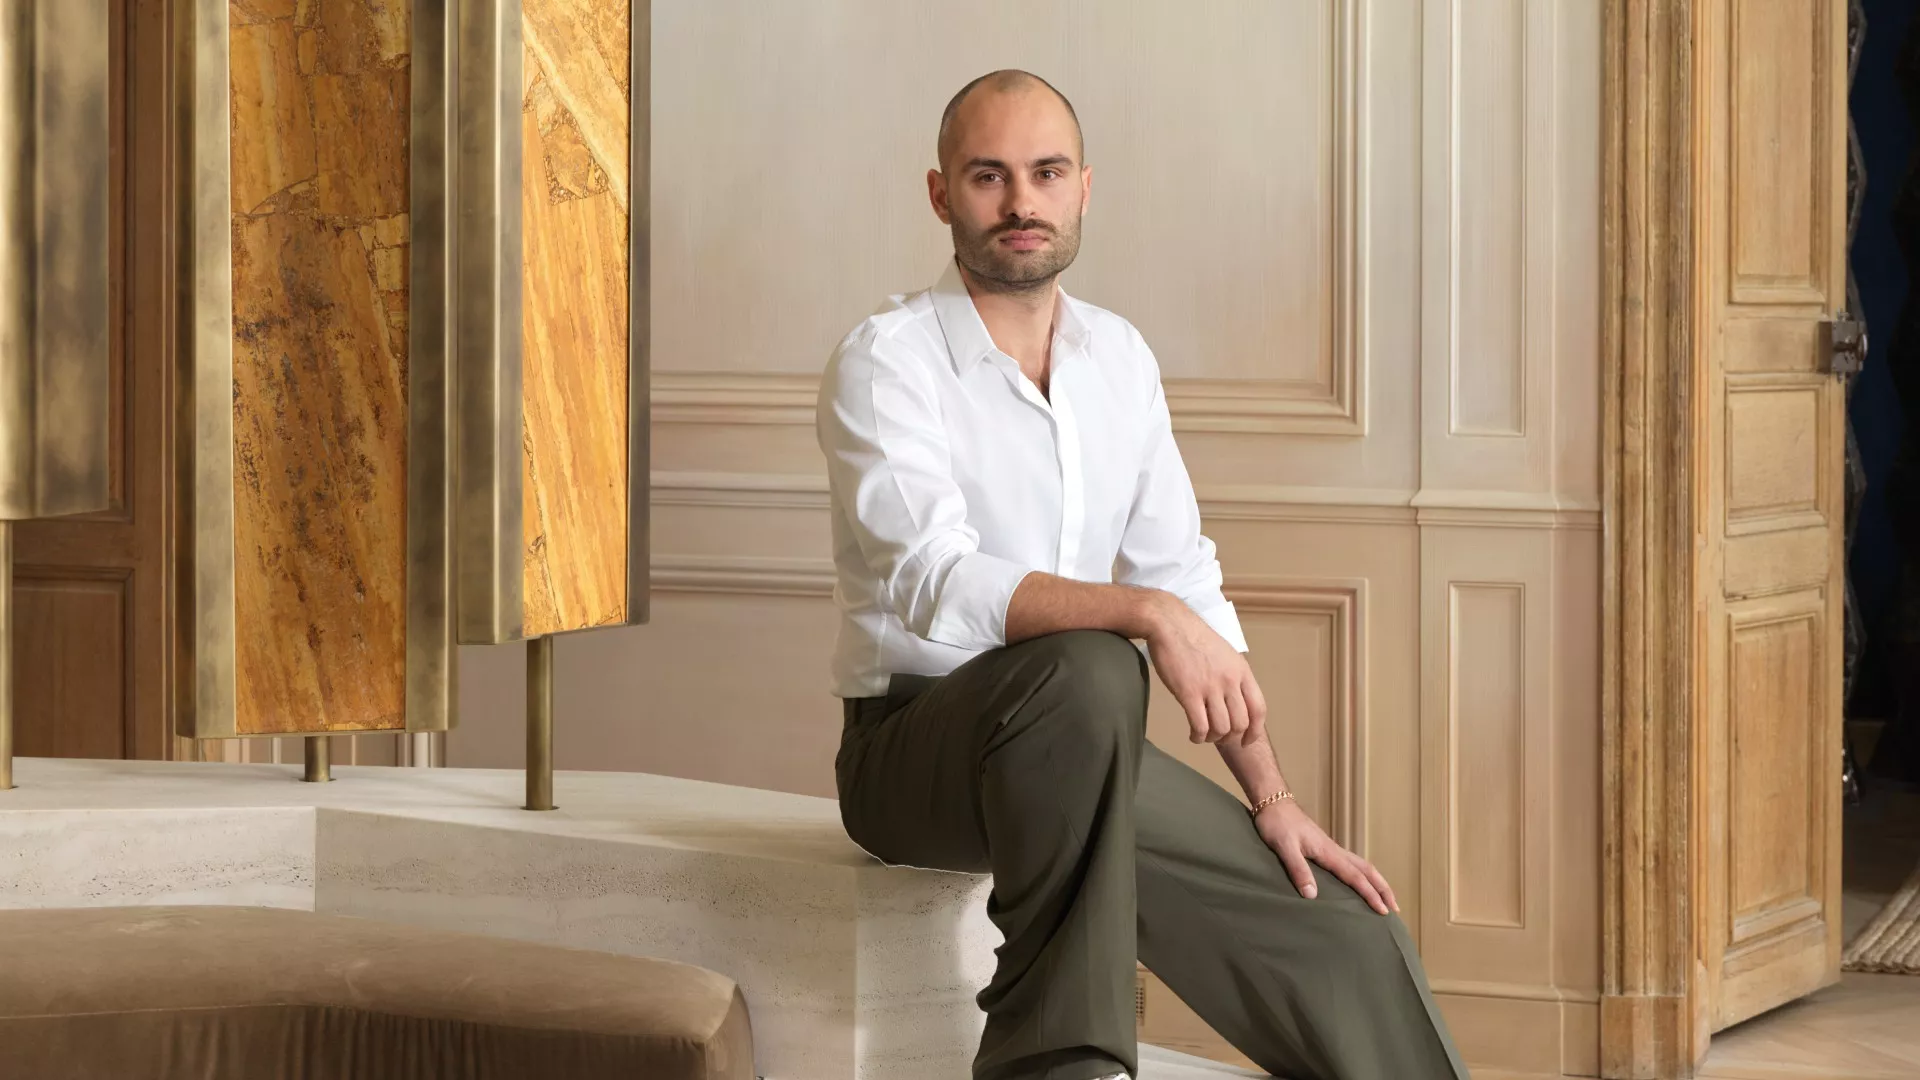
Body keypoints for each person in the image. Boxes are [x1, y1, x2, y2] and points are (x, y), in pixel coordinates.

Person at [816, 69, 1471, 1080]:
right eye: (990, 176)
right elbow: (931, 578)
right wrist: (1142, 615)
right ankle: (1064, 1064)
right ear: (942, 194)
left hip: (1083, 742)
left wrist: (1273, 798)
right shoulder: (886, 360)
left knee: (1341, 929)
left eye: (1046, 173)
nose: (1022, 202)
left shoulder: (1117, 358)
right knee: (1089, 663)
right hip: (913, 752)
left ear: (1085, 188)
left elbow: (1183, 577)